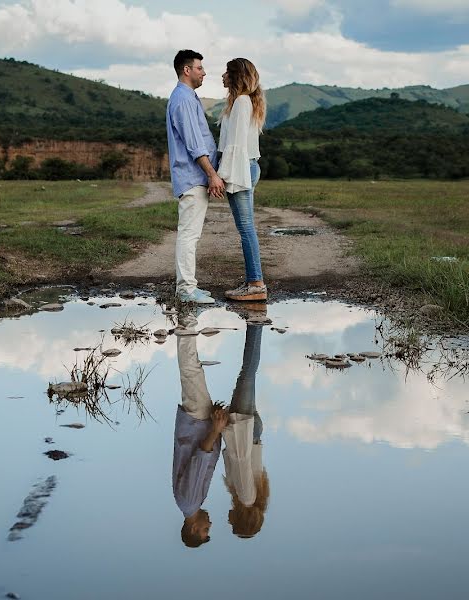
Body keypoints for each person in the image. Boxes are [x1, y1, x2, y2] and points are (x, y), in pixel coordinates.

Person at [166, 49, 224, 305]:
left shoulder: (187, 97)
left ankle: (188, 287)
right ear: (187, 70)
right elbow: (194, 144)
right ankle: (186, 290)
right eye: (200, 68)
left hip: (194, 177)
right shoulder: (184, 99)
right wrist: (212, 174)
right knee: (189, 234)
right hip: (192, 177)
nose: (204, 72)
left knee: (191, 234)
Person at [173, 314, 229, 547]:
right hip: (196, 424)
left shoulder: (190, 502)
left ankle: (186, 320)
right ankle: (186, 322)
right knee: (193, 372)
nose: (210, 525)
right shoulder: (187, 503)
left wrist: (215, 430)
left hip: (196, 423)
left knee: (191, 371)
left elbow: (199, 460)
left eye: (205, 530)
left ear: (193, 528)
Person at [217, 58, 267, 302]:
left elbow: (235, 145)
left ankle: (256, 283)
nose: (222, 76)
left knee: (246, 228)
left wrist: (221, 176)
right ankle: (253, 281)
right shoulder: (243, 101)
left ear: (236, 76)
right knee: (246, 227)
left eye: (227, 72)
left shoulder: (241, 102)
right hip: (245, 166)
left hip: (241, 167)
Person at [221, 323, 270, 538]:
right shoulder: (246, 497)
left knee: (248, 375)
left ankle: (256, 325)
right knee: (247, 373)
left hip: (252, 432)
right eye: (233, 526)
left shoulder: (255, 497)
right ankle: (256, 323)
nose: (227, 522)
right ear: (241, 519)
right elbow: (240, 459)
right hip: (244, 431)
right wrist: (227, 428)